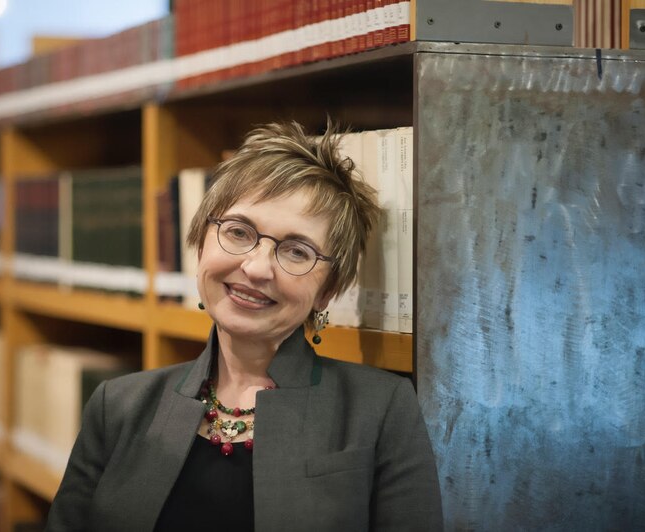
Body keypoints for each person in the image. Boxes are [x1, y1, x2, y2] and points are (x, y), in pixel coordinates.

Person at [46, 120, 443, 531]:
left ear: (328, 291)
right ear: (201, 243)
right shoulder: (118, 406)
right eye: (238, 232)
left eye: (296, 251)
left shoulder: (382, 411)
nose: (255, 268)